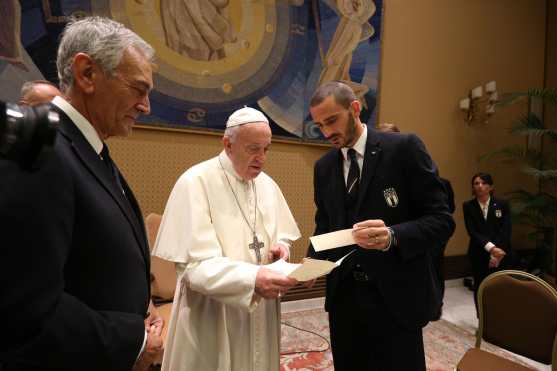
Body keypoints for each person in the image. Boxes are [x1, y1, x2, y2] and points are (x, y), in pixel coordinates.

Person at [0, 17, 163, 371]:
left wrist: (142, 302)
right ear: (87, 73)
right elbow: (25, 306)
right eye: (138, 89)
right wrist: (132, 339)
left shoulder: (88, 151)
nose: (146, 106)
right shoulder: (42, 152)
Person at [307, 81, 455, 371]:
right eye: (319, 125)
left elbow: (441, 220)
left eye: (332, 120)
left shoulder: (403, 149)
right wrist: (311, 265)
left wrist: (392, 236)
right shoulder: (323, 167)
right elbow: (325, 225)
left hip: (396, 297)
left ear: (355, 109)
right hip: (344, 301)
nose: (327, 133)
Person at [152, 107, 301, 371]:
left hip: (261, 313)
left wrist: (282, 249)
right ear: (227, 144)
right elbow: (192, 268)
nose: (261, 158)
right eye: (253, 148)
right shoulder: (195, 182)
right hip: (212, 314)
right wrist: (253, 279)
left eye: (266, 149)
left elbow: (283, 236)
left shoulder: (268, 185)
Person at [376, 121, 455, 320]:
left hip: (420, 242)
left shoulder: (431, 177)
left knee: (434, 274)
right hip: (386, 255)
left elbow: (443, 216)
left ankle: (435, 306)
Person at [463, 172, 511, 316]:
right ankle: (482, 320)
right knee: (480, 287)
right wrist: (491, 249)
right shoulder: (468, 206)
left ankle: (498, 319)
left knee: (498, 287)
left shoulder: (502, 204)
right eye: (476, 183)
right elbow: (473, 231)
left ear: (491, 187)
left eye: (483, 183)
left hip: (501, 254)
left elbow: (505, 229)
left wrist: (497, 252)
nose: (480, 186)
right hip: (479, 253)